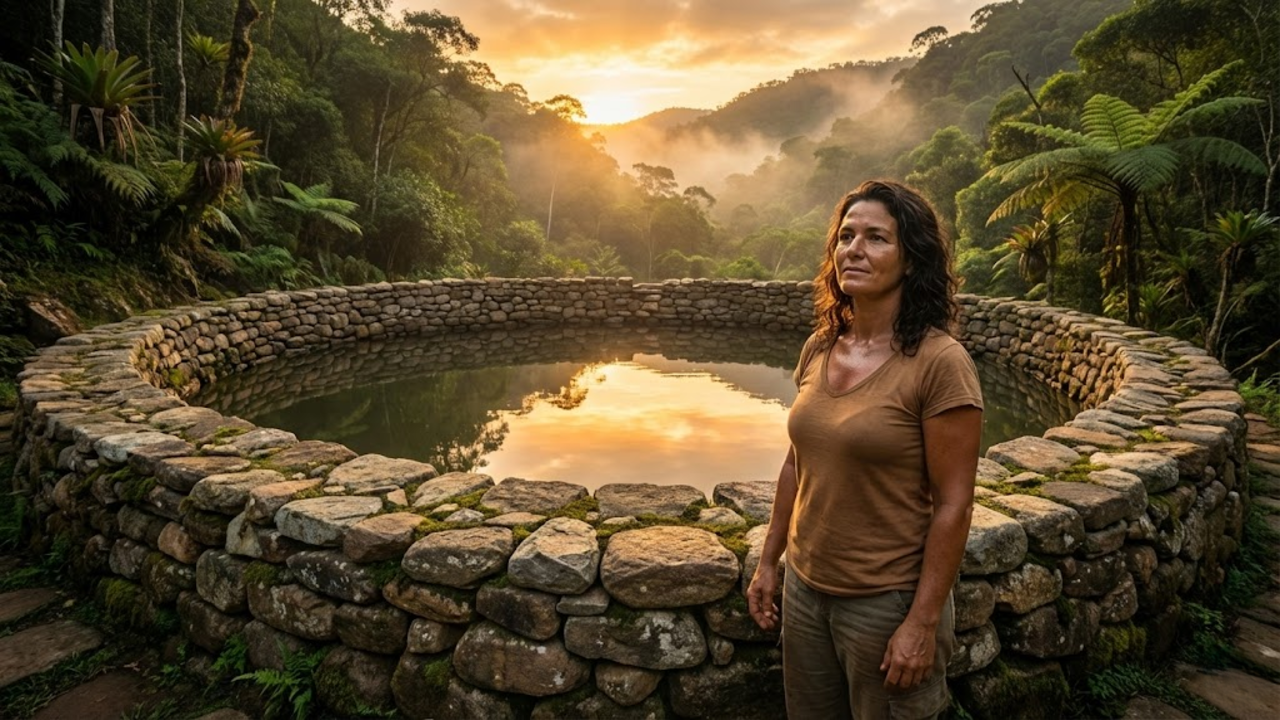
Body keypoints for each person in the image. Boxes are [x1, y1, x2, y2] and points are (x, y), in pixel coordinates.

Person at [747, 180, 983, 719]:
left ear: (911, 259)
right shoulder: (821, 346)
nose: (854, 249)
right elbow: (796, 463)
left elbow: (954, 504)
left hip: (885, 603)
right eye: (846, 236)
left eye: (876, 237)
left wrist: (921, 623)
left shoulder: (940, 363)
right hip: (805, 593)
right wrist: (769, 562)